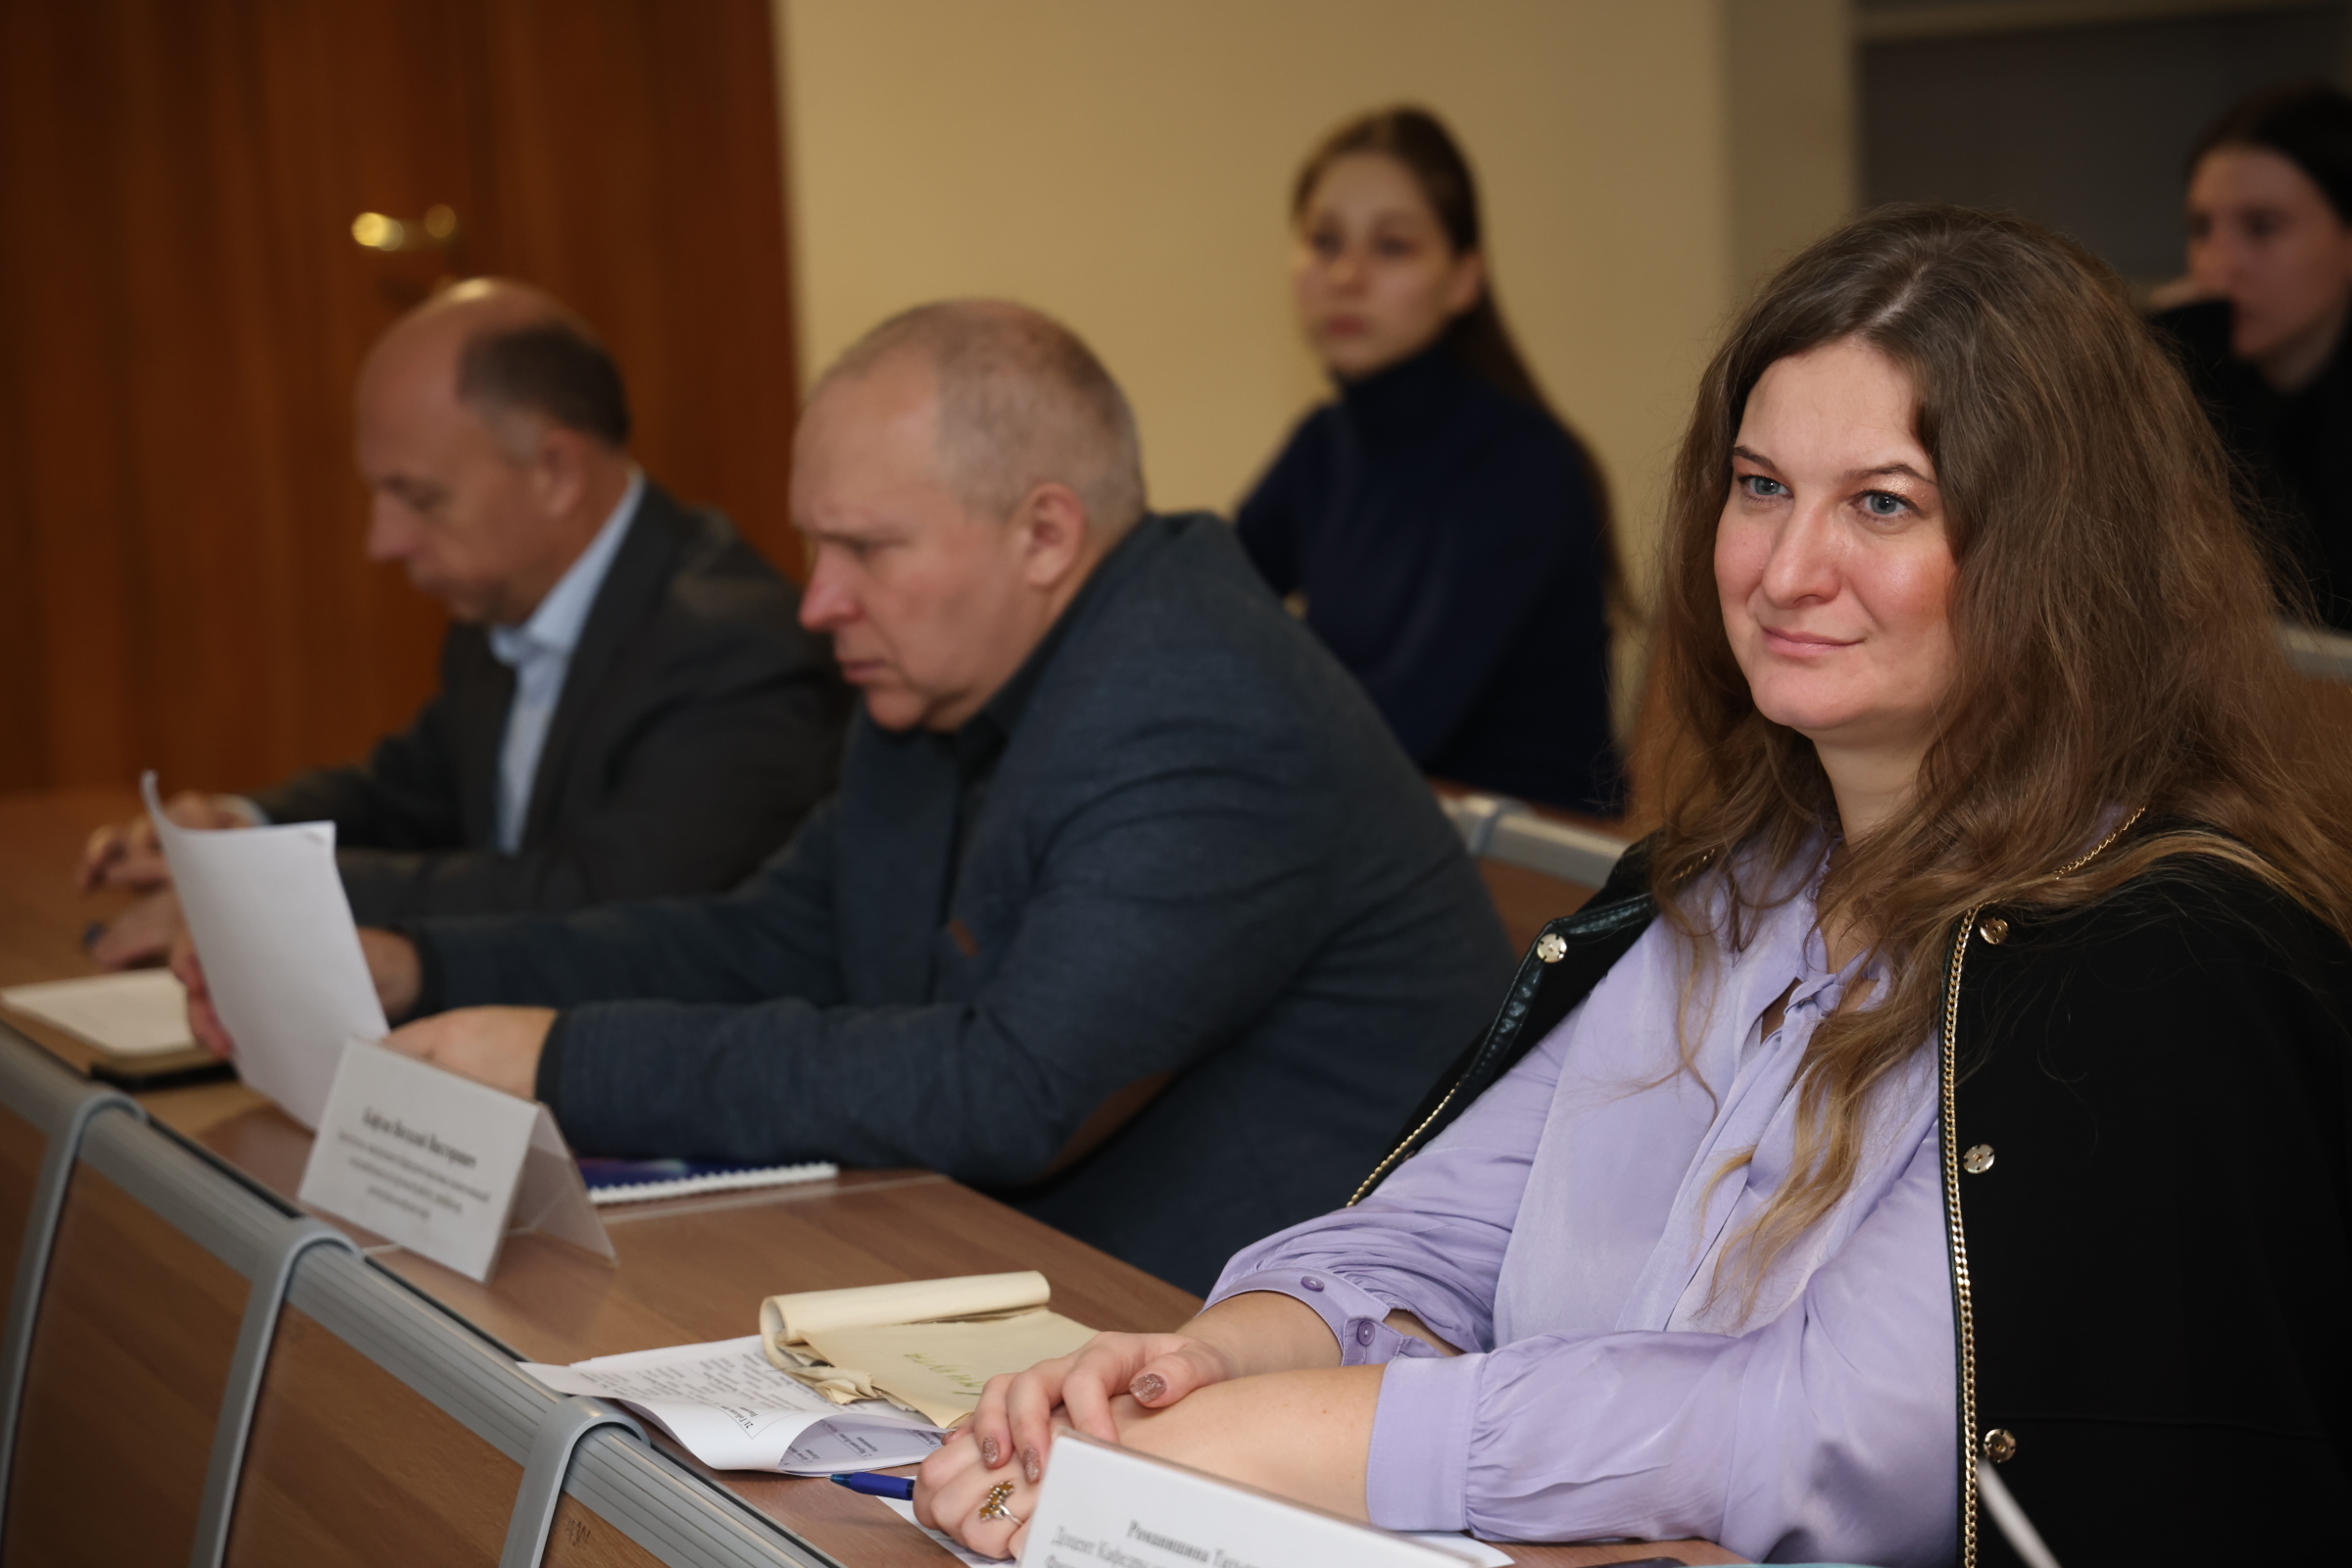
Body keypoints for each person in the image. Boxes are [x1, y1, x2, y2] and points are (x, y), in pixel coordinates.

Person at [914, 209, 2352, 1566]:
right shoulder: (1735, 882)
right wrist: (1197, 1368)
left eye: (1883, 504)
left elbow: (1837, 1434)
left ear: (2060, 555)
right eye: (1761, 487)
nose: (1788, 568)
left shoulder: (2165, 957)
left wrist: (1260, 1443)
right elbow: (1438, 1238)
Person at [181, 300, 1515, 1294]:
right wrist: (431, 968)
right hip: (1035, 1278)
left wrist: (560, 1061)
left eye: (866, 548)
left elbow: (1011, 1089)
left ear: (1045, 533)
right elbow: (770, 938)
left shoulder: (1205, 706)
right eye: (815, 544)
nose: (819, 602)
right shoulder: (943, 677)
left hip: (1266, 1339)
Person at [79, 280, 847, 961]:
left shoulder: (739, 647)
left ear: (557, 472)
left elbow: (605, 899)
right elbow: (410, 795)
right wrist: (241, 831)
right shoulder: (498, 600)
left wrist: (268, 889)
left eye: (419, 498)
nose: (383, 542)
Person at [1236, 108, 1622, 814]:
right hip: (1373, 831)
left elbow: (1401, 723)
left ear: (1464, 278)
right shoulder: (1321, 445)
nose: (1346, 275)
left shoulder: (1524, 466)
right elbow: (1205, 612)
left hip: (1524, 860)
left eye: (1392, 247)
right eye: (1324, 241)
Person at [2154, 81, 2352, 627]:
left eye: (2262, 227)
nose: (2218, 266)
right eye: (2202, 229)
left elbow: (2318, 603)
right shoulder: (2190, 361)